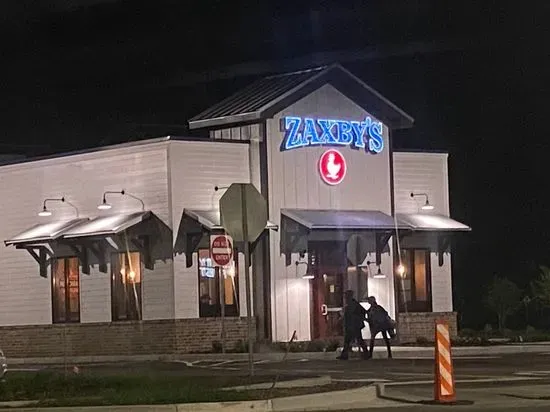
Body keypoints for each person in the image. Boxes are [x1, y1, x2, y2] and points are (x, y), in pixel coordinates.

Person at [337, 290, 370, 360]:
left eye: (346, 296)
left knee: (358, 340)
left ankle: (366, 354)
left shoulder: (353, 304)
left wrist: (359, 319)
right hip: (351, 325)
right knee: (348, 341)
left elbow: (362, 311)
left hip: (354, 325)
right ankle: (345, 355)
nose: (345, 297)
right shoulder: (350, 304)